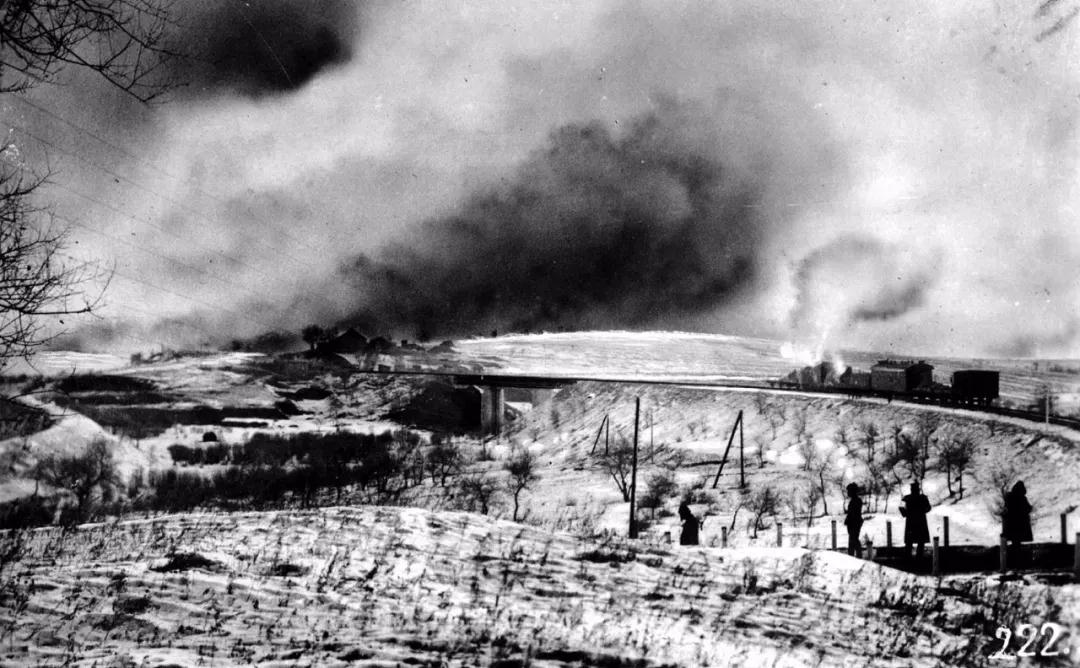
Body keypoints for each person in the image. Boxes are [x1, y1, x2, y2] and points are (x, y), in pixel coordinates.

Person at [1002, 481, 1033, 567]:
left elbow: (1006, 508)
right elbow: (1027, 508)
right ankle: (1018, 561)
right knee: (1017, 544)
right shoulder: (1022, 498)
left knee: (1014, 542)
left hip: (1012, 525)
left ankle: (1012, 561)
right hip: (1020, 525)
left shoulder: (1009, 497)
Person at [900, 482, 931, 560]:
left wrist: (906, 513)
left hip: (911, 522)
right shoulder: (923, 498)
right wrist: (922, 511)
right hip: (920, 522)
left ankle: (909, 558)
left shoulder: (907, 498)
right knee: (920, 541)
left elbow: (901, 507)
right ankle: (917, 558)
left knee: (911, 542)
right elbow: (928, 508)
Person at [843, 483, 864, 557]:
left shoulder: (856, 501)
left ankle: (858, 556)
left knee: (854, 540)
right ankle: (852, 557)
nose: (848, 493)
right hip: (852, 523)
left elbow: (854, 514)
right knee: (852, 541)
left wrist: (848, 520)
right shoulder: (854, 500)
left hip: (854, 523)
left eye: (849, 491)